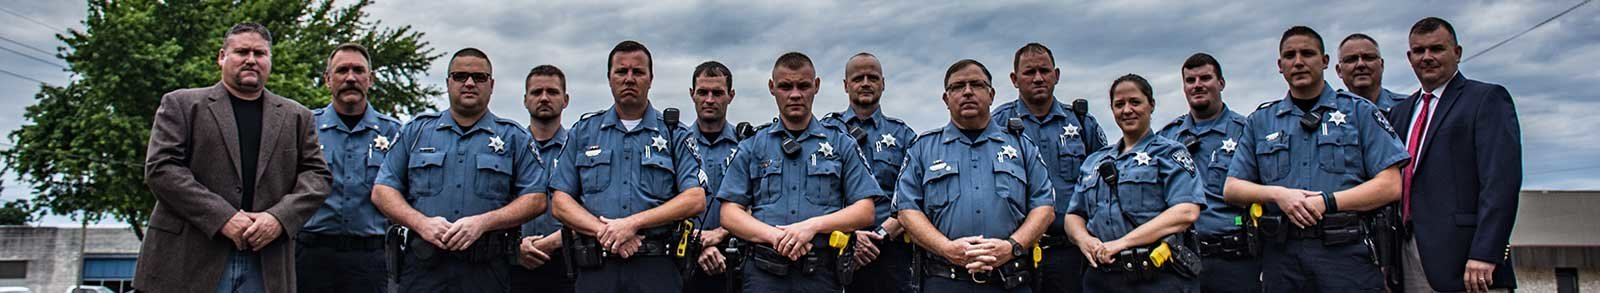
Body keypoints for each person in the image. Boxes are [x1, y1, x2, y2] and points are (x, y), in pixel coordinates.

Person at [137, 22, 332, 293]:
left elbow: (317, 177)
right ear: (221, 57)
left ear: (269, 61)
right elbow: (162, 169)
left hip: (267, 263)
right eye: (242, 52)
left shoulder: (297, 116)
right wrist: (223, 217)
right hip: (188, 260)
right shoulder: (181, 104)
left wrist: (278, 218)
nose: (251, 60)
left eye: (260, 54)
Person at [1224, 26, 1409, 293]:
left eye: (1307, 54)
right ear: (1280, 65)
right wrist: (1279, 195)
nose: (1298, 62)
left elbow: (1390, 185)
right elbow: (1232, 188)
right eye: (1290, 56)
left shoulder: (1358, 112)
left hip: (1345, 254)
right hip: (1283, 256)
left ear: (1324, 61)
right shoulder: (1260, 121)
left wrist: (1327, 202)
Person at [372, 48, 548, 292]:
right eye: (459, 76)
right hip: (423, 267)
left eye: (479, 77)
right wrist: (421, 223)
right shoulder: (416, 132)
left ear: (491, 84)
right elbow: (382, 190)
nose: (469, 83)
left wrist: (484, 222)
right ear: (447, 82)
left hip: (486, 269)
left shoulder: (513, 137)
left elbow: (537, 199)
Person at [716, 52, 883, 292]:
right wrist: (774, 236)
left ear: (816, 86)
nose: (795, 94)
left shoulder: (841, 143)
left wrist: (812, 226)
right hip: (764, 273)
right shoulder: (753, 146)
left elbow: (865, 211)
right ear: (772, 88)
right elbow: (729, 213)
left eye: (803, 86)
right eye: (786, 86)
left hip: (821, 273)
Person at [548, 40, 707, 293]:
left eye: (638, 72)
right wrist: (607, 232)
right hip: (596, 268)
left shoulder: (675, 133)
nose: (629, 79)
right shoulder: (584, 132)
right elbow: (560, 201)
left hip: (657, 268)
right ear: (609, 78)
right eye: (621, 72)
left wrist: (632, 223)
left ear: (650, 79)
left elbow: (695, 199)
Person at [896, 59, 1055, 293]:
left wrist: (1011, 247)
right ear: (946, 99)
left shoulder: (1021, 146)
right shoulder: (922, 148)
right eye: (958, 87)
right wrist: (947, 248)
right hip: (944, 280)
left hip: (1010, 280)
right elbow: (906, 211)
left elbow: (1045, 207)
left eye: (976, 85)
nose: (968, 92)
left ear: (991, 95)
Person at [1390, 17, 1521, 293]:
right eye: (1419, 51)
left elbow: (1500, 183)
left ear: (1457, 53)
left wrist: (1486, 252)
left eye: (1436, 49)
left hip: (1469, 263)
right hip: (1409, 257)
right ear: (1409, 57)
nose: (1427, 57)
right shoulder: (1400, 113)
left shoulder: (1486, 99)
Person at [1066, 74, 1204, 292]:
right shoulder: (1094, 162)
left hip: (1156, 277)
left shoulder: (1170, 153)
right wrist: (1084, 240)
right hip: (1101, 279)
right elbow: (1073, 215)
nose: (1127, 110)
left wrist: (1123, 243)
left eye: (1135, 102)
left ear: (1151, 105)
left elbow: (1186, 211)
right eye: (1119, 104)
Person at [990, 43, 1108, 293]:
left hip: (1072, 250)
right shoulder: (997, 125)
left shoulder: (1081, 122)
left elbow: (1104, 184)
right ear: (1014, 79)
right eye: (1029, 72)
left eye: (1044, 71)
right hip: (1016, 252)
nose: (1038, 78)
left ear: (1056, 75)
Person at [299, 43, 403, 293]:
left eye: (358, 70)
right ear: (327, 79)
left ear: (370, 79)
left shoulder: (395, 133)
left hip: (370, 260)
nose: (350, 78)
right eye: (342, 70)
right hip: (311, 256)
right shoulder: (304, 127)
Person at [1154, 53, 1259, 293]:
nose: (1197, 85)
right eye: (1190, 80)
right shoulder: (1167, 138)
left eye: (1205, 78)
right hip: (1181, 261)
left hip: (1235, 259)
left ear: (1221, 83)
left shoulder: (1247, 131)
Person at [817, 52, 918, 293]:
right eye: (858, 78)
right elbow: (818, 193)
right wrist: (852, 237)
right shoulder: (824, 133)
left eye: (872, 78)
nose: (865, 83)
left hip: (890, 251)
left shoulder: (904, 136)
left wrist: (879, 237)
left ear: (883, 83)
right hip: (835, 248)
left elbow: (912, 196)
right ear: (845, 85)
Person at [513, 64, 576, 293]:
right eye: (536, 92)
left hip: (567, 261)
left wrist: (551, 243)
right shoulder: (508, 149)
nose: (544, 98)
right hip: (513, 261)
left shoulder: (579, 149)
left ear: (565, 99)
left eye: (552, 92)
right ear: (525, 100)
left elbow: (591, 207)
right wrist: (514, 247)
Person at [683, 60, 742, 293]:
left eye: (717, 93)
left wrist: (719, 235)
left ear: (731, 95)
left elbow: (757, 201)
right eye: (702, 92)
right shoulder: (677, 145)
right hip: (684, 256)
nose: (709, 99)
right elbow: (664, 199)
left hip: (735, 257)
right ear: (692, 94)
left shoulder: (747, 145)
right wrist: (699, 245)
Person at [1334, 33, 1409, 112]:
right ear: (1339, 71)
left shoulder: (1408, 108)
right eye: (1351, 59)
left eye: (1369, 58)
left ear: (1382, 65)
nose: (1361, 64)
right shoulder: (1329, 114)